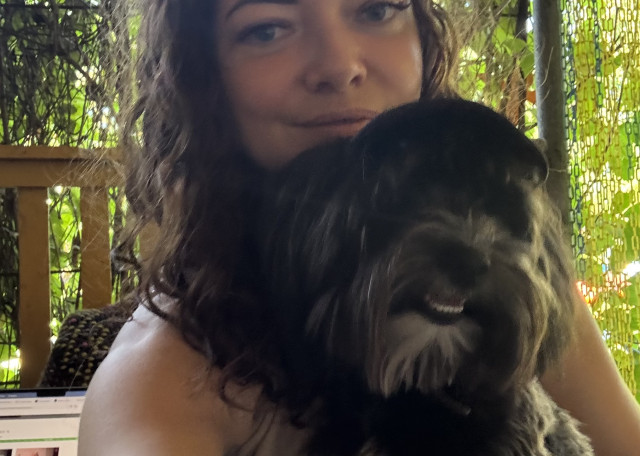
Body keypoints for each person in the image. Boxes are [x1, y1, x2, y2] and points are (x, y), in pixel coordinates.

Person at [78, 0, 640, 454]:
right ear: (201, 73)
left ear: (424, 35)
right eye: (268, 28)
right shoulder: (163, 383)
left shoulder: (513, 275)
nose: (339, 65)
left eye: (376, 10)